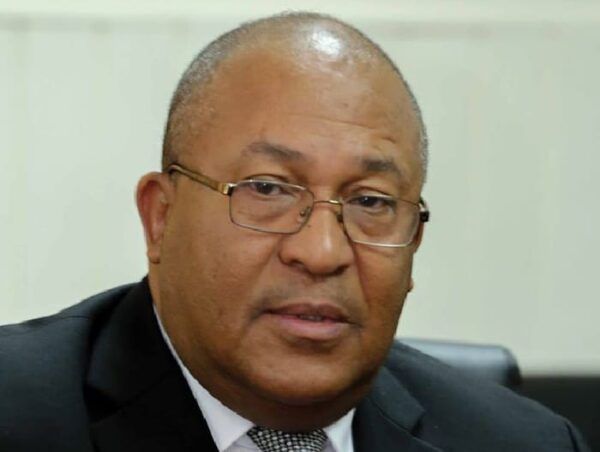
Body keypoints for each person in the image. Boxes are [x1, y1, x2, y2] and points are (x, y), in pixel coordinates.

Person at [0, 12, 590, 452]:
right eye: (268, 189)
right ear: (161, 218)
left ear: (414, 243)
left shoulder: (526, 443)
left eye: (370, 201)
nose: (322, 251)